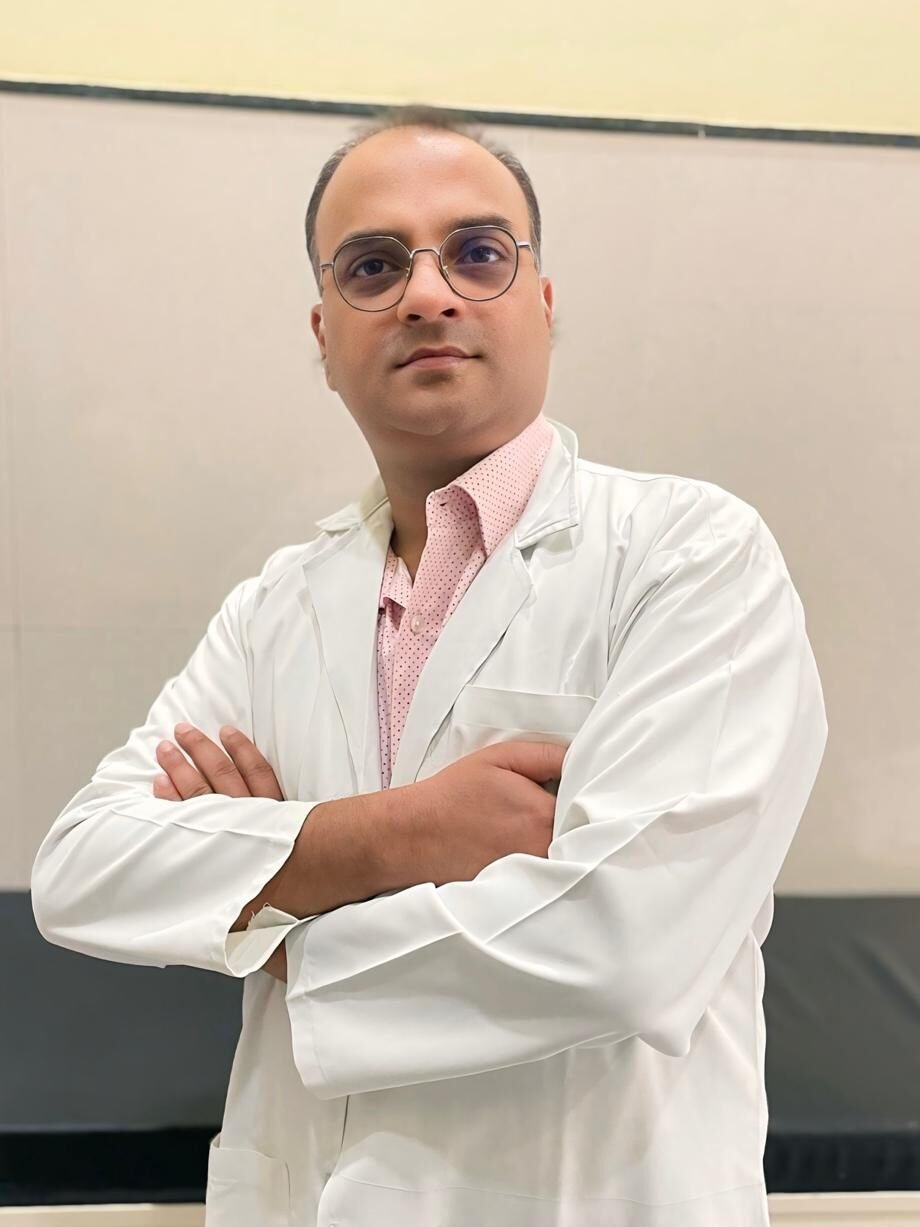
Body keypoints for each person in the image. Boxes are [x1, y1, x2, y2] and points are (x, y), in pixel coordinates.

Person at [31, 104, 828, 1227]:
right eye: (373, 266)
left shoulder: (691, 557)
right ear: (324, 337)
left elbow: (625, 949)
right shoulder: (275, 608)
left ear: (541, 301)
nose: (426, 293)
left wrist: (269, 920)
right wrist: (400, 834)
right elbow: (84, 869)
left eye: (477, 253)